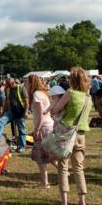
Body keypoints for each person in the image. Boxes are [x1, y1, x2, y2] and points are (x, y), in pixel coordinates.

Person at [49, 67, 91, 205]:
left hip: (67, 133)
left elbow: (55, 110)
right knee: (78, 168)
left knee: (63, 167)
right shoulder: (87, 97)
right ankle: (82, 199)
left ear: (72, 80)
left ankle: (64, 201)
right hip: (80, 134)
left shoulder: (70, 93)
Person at [26, 75, 56, 188]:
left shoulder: (36, 95)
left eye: (27, 82)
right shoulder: (42, 93)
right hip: (47, 126)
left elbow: (40, 115)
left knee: (41, 157)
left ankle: (45, 183)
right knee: (49, 155)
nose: (25, 84)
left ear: (31, 82)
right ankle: (64, 172)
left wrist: (36, 130)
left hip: (43, 127)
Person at [0, 78, 29, 153]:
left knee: (21, 130)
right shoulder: (8, 90)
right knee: (1, 121)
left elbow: (27, 102)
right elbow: (7, 102)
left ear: (12, 83)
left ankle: (22, 147)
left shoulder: (21, 88)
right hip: (11, 112)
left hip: (20, 112)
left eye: (8, 85)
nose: (6, 86)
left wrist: (26, 112)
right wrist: (3, 112)